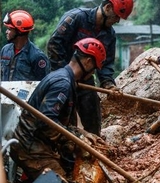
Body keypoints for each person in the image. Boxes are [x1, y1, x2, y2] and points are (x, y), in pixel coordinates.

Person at [10, 38, 107, 182]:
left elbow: (59, 122)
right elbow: (47, 122)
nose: (92, 73)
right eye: (94, 69)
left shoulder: (65, 78)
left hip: (35, 145)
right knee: (62, 180)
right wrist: (78, 140)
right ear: (87, 62)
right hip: (30, 148)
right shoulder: (63, 83)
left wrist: (83, 133)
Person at [47, 0, 134, 135]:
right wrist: (65, 75)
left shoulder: (109, 35)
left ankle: (94, 146)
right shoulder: (76, 17)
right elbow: (54, 45)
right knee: (65, 123)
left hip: (85, 79)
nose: (117, 21)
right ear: (107, 7)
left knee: (93, 115)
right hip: (63, 77)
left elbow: (106, 65)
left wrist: (108, 84)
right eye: (116, 16)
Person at [0, 10, 50, 81]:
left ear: (19, 32)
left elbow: (44, 84)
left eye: (9, 29)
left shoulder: (37, 56)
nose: (6, 32)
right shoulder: (5, 50)